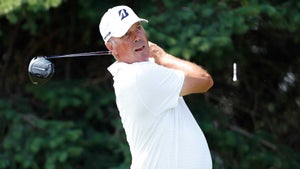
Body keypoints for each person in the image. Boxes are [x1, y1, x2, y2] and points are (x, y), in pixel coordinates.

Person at [99, 5, 214, 169]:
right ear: (111, 47)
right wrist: (163, 56)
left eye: (138, 28)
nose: (137, 37)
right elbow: (204, 81)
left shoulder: (136, 72)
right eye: (126, 34)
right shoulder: (141, 75)